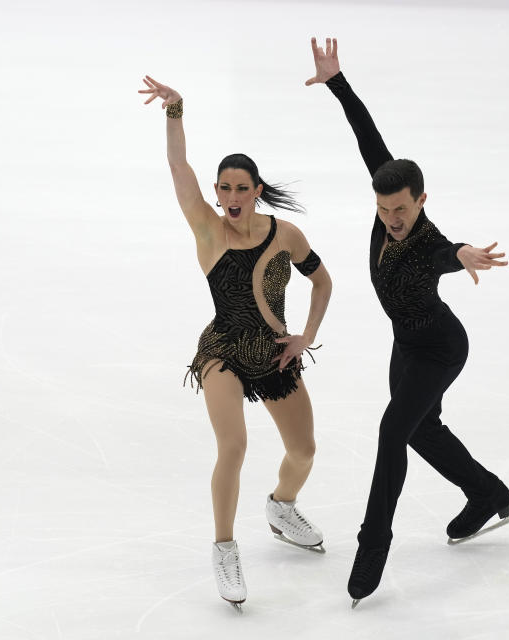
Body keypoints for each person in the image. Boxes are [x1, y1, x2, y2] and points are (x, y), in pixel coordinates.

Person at [304, 38, 509, 607]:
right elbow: (367, 137)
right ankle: (487, 492)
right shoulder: (385, 194)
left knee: (392, 432)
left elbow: (449, 251)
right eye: (384, 209)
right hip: (406, 345)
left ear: (422, 201)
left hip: (441, 348)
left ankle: (373, 544)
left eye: (402, 208)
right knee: (420, 430)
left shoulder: (425, 240)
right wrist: (337, 82)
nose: (392, 219)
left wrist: (465, 252)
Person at [139, 75, 333, 612]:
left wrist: (307, 337)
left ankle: (281, 506)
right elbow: (180, 170)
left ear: (257, 191)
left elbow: (323, 281)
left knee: (304, 451)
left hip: (273, 353)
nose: (229, 196)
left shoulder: (285, 234)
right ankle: (225, 548)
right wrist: (174, 111)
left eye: (240, 188)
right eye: (223, 187)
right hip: (223, 349)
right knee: (235, 446)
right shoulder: (207, 229)